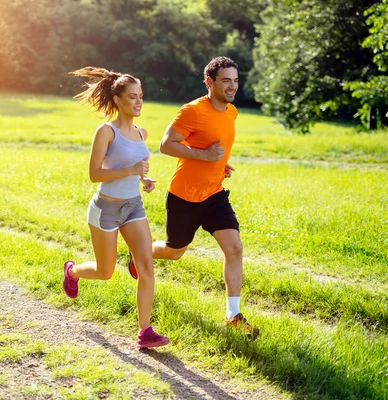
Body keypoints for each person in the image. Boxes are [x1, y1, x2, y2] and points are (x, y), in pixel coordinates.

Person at [128, 56, 259, 337]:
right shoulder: (192, 111)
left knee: (234, 248)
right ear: (209, 82)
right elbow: (166, 145)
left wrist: (219, 165)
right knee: (175, 252)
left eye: (235, 80)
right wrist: (204, 156)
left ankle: (233, 315)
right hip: (184, 196)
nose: (232, 86)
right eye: (226, 80)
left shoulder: (231, 112)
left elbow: (213, 146)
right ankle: (139, 254)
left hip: (214, 194)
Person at [62, 66, 170, 349]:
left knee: (146, 266)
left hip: (133, 207)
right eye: (132, 97)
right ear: (118, 99)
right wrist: (131, 170)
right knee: (104, 271)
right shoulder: (106, 131)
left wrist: (144, 179)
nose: (139, 102)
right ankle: (72, 272)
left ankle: (145, 331)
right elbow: (95, 174)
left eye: (141, 96)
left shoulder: (141, 133)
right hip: (106, 209)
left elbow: (137, 167)